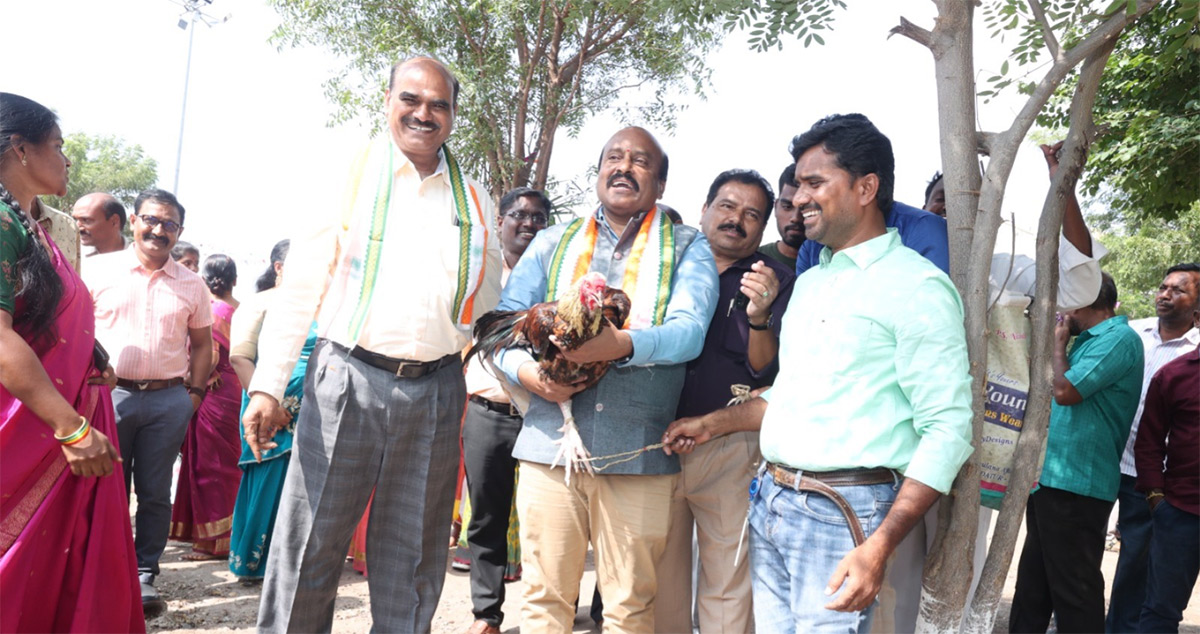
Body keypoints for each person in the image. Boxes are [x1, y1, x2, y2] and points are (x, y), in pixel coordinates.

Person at [663, 113, 973, 632]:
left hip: (842, 515)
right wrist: (710, 424)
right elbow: (790, 394)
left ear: (866, 187)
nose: (799, 198)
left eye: (814, 183)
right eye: (797, 185)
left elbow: (948, 430)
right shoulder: (810, 281)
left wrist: (880, 544)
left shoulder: (917, 288)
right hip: (771, 501)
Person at [241, 57, 502, 633]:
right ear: (388, 102)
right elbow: (300, 288)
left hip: (435, 388)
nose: (424, 114)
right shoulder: (349, 176)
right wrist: (266, 385)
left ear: (454, 116)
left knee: (413, 557)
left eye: (440, 104)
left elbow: (485, 307)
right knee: (310, 543)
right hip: (347, 379)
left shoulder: (476, 200)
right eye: (411, 99)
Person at [491, 125, 718, 631]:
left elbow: (689, 333)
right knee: (543, 601)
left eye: (640, 161)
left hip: (635, 451)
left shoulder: (686, 247)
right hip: (550, 446)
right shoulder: (553, 242)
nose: (624, 166)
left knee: (629, 607)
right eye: (614, 157)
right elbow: (501, 327)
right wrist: (529, 374)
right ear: (598, 174)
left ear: (660, 185)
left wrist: (623, 346)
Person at [876, 140, 1107, 634]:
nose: (953, 214)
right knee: (891, 565)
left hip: (971, 445)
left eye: (974, 205)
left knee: (961, 558)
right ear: (924, 210)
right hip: (893, 439)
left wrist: (1062, 187)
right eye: (943, 202)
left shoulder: (1005, 270)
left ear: (992, 218)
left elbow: (1081, 286)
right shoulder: (895, 266)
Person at [0, 91, 143, 632]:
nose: (66, 160)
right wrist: (71, 428)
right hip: (39, 428)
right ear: (20, 149)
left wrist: (92, 356)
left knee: (59, 574)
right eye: (57, 146)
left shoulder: (33, 223)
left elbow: (46, 313)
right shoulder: (0, 221)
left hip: (66, 414)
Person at [655, 169, 795, 633]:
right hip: (656, 442)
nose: (737, 220)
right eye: (727, 207)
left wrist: (759, 317)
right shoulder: (664, 265)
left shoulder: (777, 281)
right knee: (659, 581)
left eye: (752, 214)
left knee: (727, 582)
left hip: (731, 449)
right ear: (704, 209)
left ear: (763, 228)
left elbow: (767, 372)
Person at [83, 187, 214, 618]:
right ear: (134, 220)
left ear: (179, 231)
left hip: (167, 401)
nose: (159, 230)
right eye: (151, 220)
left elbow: (202, 345)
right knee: (107, 487)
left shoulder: (193, 285)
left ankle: (143, 575)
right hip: (108, 398)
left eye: (169, 224)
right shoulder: (97, 271)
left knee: (156, 492)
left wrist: (192, 395)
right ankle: (104, 568)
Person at [1008, 273, 1143, 633]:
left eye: (1067, 300)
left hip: (1077, 486)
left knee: (1074, 592)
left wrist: (1057, 345)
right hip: (1050, 480)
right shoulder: (1088, 340)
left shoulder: (1118, 339)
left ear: (1083, 299)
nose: (1063, 311)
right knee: (1032, 589)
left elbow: (1066, 390)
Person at [462, 187, 551, 634]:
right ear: (500, 221)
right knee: (486, 518)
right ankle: (487, 615)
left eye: (539, 216)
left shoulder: (558, 276)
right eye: (519, 214)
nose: (529, 223)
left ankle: (555, 608)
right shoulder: (480, 274)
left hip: (544, 415)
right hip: (487, 412)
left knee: (550, 518)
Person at [1107, 262, 1200, 633]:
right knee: (1076, 551)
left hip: (1146, 477)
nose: (1165, 294)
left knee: (1136, 566)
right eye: (1163, 287)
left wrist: (1157, 496)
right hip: (1101, 460)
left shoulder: (1192, 356)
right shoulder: (1130, 334)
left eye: (1178, 290)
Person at [228, 240, 315, 583]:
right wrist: (271, 404)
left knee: (308, 484)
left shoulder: (321, 305)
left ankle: (296, 564)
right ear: (279, 267)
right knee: (269, 480)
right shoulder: (260, 303)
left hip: (315, 409)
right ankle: (254, 564)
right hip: (268, 407)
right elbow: (240, 357)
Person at [169, 254, 244, 560]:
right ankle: (233, 534)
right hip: (235, 389)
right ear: (235, 280)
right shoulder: (241, 309)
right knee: (229, 463)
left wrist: (189, 381)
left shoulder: (211, 311)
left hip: (213, 390)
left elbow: (210, 356)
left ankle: (212, 542)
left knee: (210, 465)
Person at [1135, 307, 1200, 633]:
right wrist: (1156, 498)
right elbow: (1148, 442)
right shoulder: (1173, 375)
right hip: (1180, 513)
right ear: (1198, 317)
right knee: (1160, 610)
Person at [757, 163, 804, 271]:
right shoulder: (752, 261)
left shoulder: (832, 261)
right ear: (776, 207)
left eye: (804, 208)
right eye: (787, 207)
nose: (796, 218)